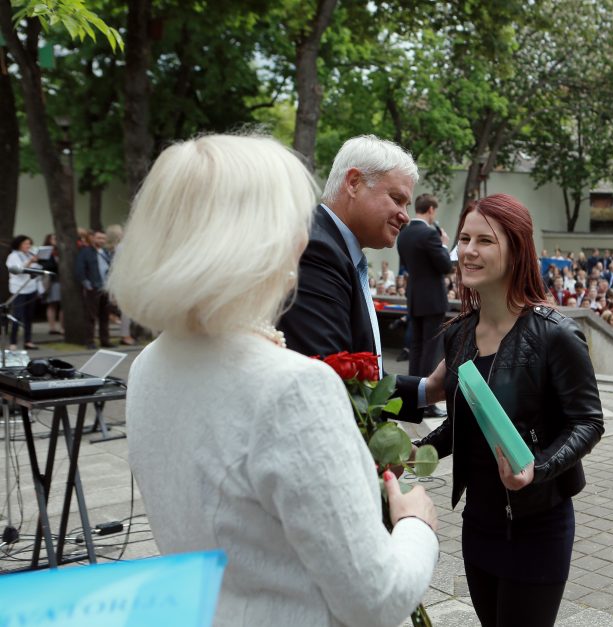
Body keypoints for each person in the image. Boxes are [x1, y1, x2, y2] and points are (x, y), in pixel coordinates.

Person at [109, 134, 439, 627]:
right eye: (291, 217)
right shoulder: (294, 387)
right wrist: (416, 524)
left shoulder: (149, 366)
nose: (304, 234)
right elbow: (375, 597)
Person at [414, 193, 604, 627]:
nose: (469, 251)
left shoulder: (556, 334)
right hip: (477, 523)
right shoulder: (458, 334)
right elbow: (463, 423)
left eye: (485, 240)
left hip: (537, 526)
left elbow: (588, 422)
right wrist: (416, 451)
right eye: (464, 238)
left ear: (516, 249)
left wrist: (536, 469)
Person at [278, 134, 439, 421]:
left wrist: (429, 389)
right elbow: (334, 379)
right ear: (353, 183)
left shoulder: (333, 248)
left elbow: (361, 368)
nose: (404, 215)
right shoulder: (317, 251)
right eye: (397, 199)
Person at [396, 193, 453, 385]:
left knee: (417, 346)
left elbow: (405, 264)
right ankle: (427, 398)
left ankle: (414, 393)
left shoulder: (403, 234)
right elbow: (445, 266)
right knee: (431, 348)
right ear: (430, 209)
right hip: (432, 298)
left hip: (414, 296)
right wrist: (444, 245)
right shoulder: (430, 234)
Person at [74, 229, 113, 349]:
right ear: (92, 238)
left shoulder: (106, 252)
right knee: (91, 316)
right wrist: (86, 283)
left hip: (106, 287)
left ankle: (105, 340)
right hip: (93, 288)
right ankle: (89, 341)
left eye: (103, 238)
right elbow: (80, 268)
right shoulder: (85, 252)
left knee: (105, 316)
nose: (101, 240)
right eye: (99, 238)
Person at [5, 235, 41, 350]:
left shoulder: (29, 255)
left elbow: (36, 269)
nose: (28, 246)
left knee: (29, 316)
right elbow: (17, 270)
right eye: (26, 243)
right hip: (19, 289)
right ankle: (13, 342)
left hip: (31, 287)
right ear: (19, 244)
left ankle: (28, 340)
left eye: (29, 244)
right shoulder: (13, 256)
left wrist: (35, 261)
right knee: (17, 316)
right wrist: (30, 261)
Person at [38, 234, 63, 335]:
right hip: (52, 280)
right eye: (54, 238)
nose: (55, 240)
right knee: (52, 304)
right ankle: (52, 327)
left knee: (63, 305)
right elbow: (43, 265)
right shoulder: (45, 252)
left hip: (63, 280)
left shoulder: (61, 251)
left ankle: (62, 327)